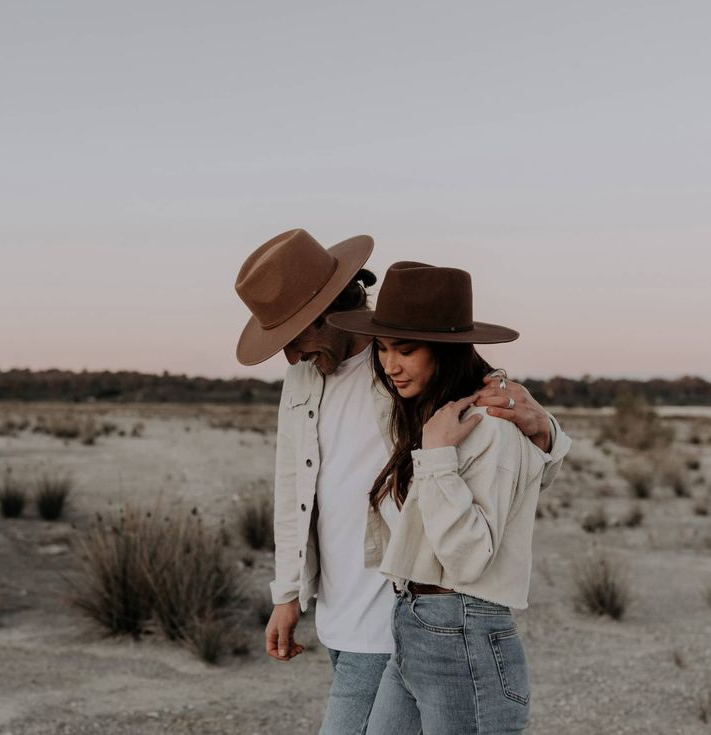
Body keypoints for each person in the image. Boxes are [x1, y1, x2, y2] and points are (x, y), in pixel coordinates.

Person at [234, 229, 570, 735]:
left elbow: (503, 463)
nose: (290, 356)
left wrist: (545, 432)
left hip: (397, 607)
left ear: (325, 314)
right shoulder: (304, 380)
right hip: (339, 608)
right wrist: (286, 594)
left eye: (293, 338)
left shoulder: (416, 369)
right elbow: (293, 491)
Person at [327, 261, 569, 735]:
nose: (389, 365)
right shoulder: (433, 416)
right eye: (382, 348)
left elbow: (467, 557)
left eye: (406, 349)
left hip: (464, 631)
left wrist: (436, 457)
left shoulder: (487, 428)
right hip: (414, 623)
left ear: (446, 350)